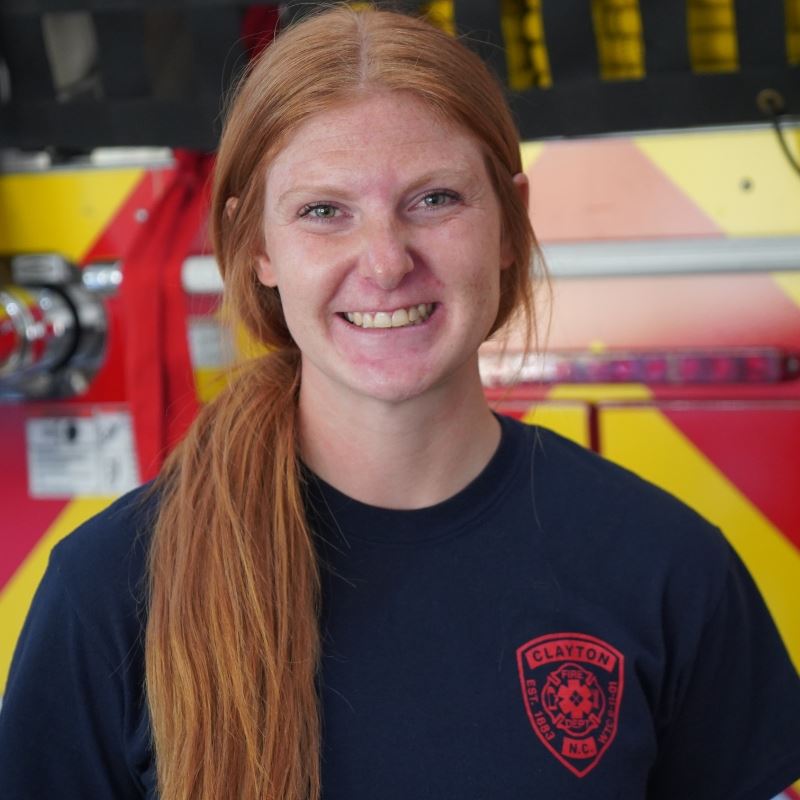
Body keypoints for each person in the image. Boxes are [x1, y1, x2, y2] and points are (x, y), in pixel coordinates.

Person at [1, 6, 799, 800]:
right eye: (324, 211)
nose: (385, 263)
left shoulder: (668, 567)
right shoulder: (109, 594)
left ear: (510, 223)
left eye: (434, 200)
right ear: (258, 247)